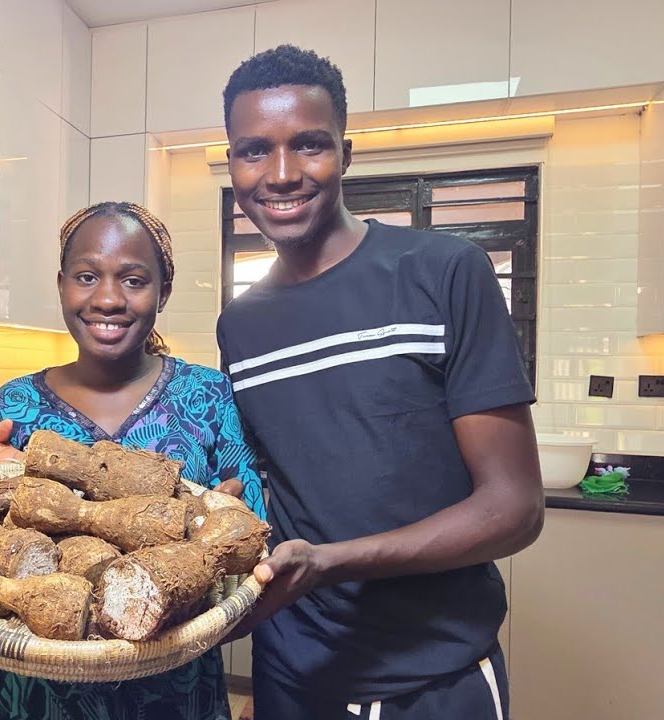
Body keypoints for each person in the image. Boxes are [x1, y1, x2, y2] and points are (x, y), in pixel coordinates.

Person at [215, 46, 544, 720]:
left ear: (347, 152)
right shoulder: (239, 327)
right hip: (291, 679)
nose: (281, 174)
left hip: (434, 677)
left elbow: (514, 508)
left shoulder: (445, 271)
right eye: (254, 151)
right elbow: (282, 485)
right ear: (232, 163)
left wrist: (333, 562)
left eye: (309, 145)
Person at [0, 201, 266, 720]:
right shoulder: (15, 404)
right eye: (87, 276)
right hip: (29, 696)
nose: (108, 299)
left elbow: (247, 550)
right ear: (61, 285)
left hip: (170, 692)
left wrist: (222, 523)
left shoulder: (208, 396)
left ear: (163, 292)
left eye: (134, 280)